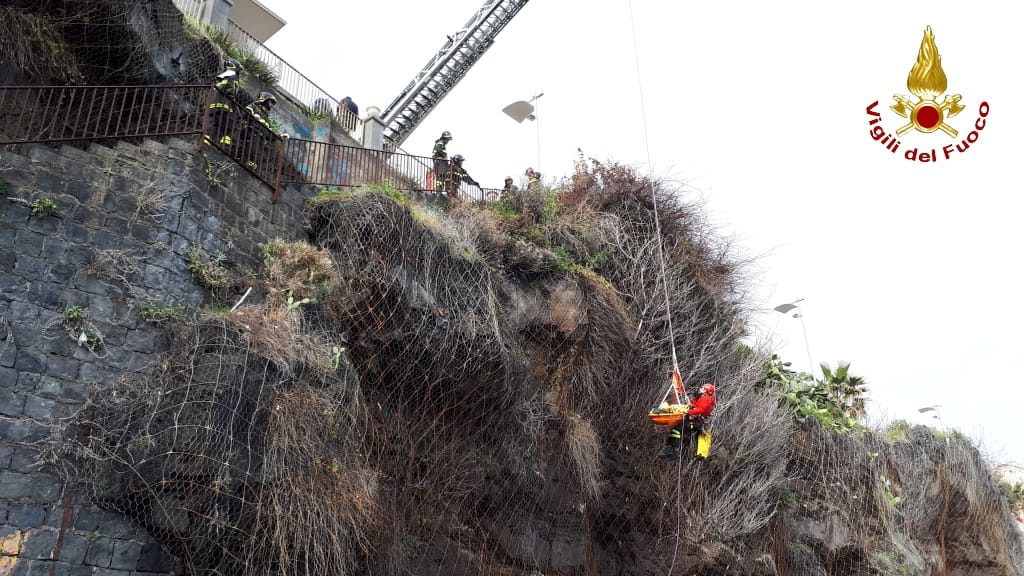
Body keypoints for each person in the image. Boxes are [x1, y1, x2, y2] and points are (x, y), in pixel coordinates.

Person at [658, 382, 716, 460]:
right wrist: (691, 403)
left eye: (702, 388)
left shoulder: (706, 398)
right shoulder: (702, 398)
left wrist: (688, 412)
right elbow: (695, 405)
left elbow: (700, 410)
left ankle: (674, 451)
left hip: (695, 421)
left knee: (677, 430)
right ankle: (671, 449)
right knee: (676, 431)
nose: (700, 388)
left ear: (705, 391)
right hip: (696, 421)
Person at [203, 58, 245, 150]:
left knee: (212, 125)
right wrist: (234, 105)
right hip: (225, 107)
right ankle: (223, 147)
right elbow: (231, 92)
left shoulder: (221, 79)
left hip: (213, 107)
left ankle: (205, 142)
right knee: (230, 127)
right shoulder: (233, 78)